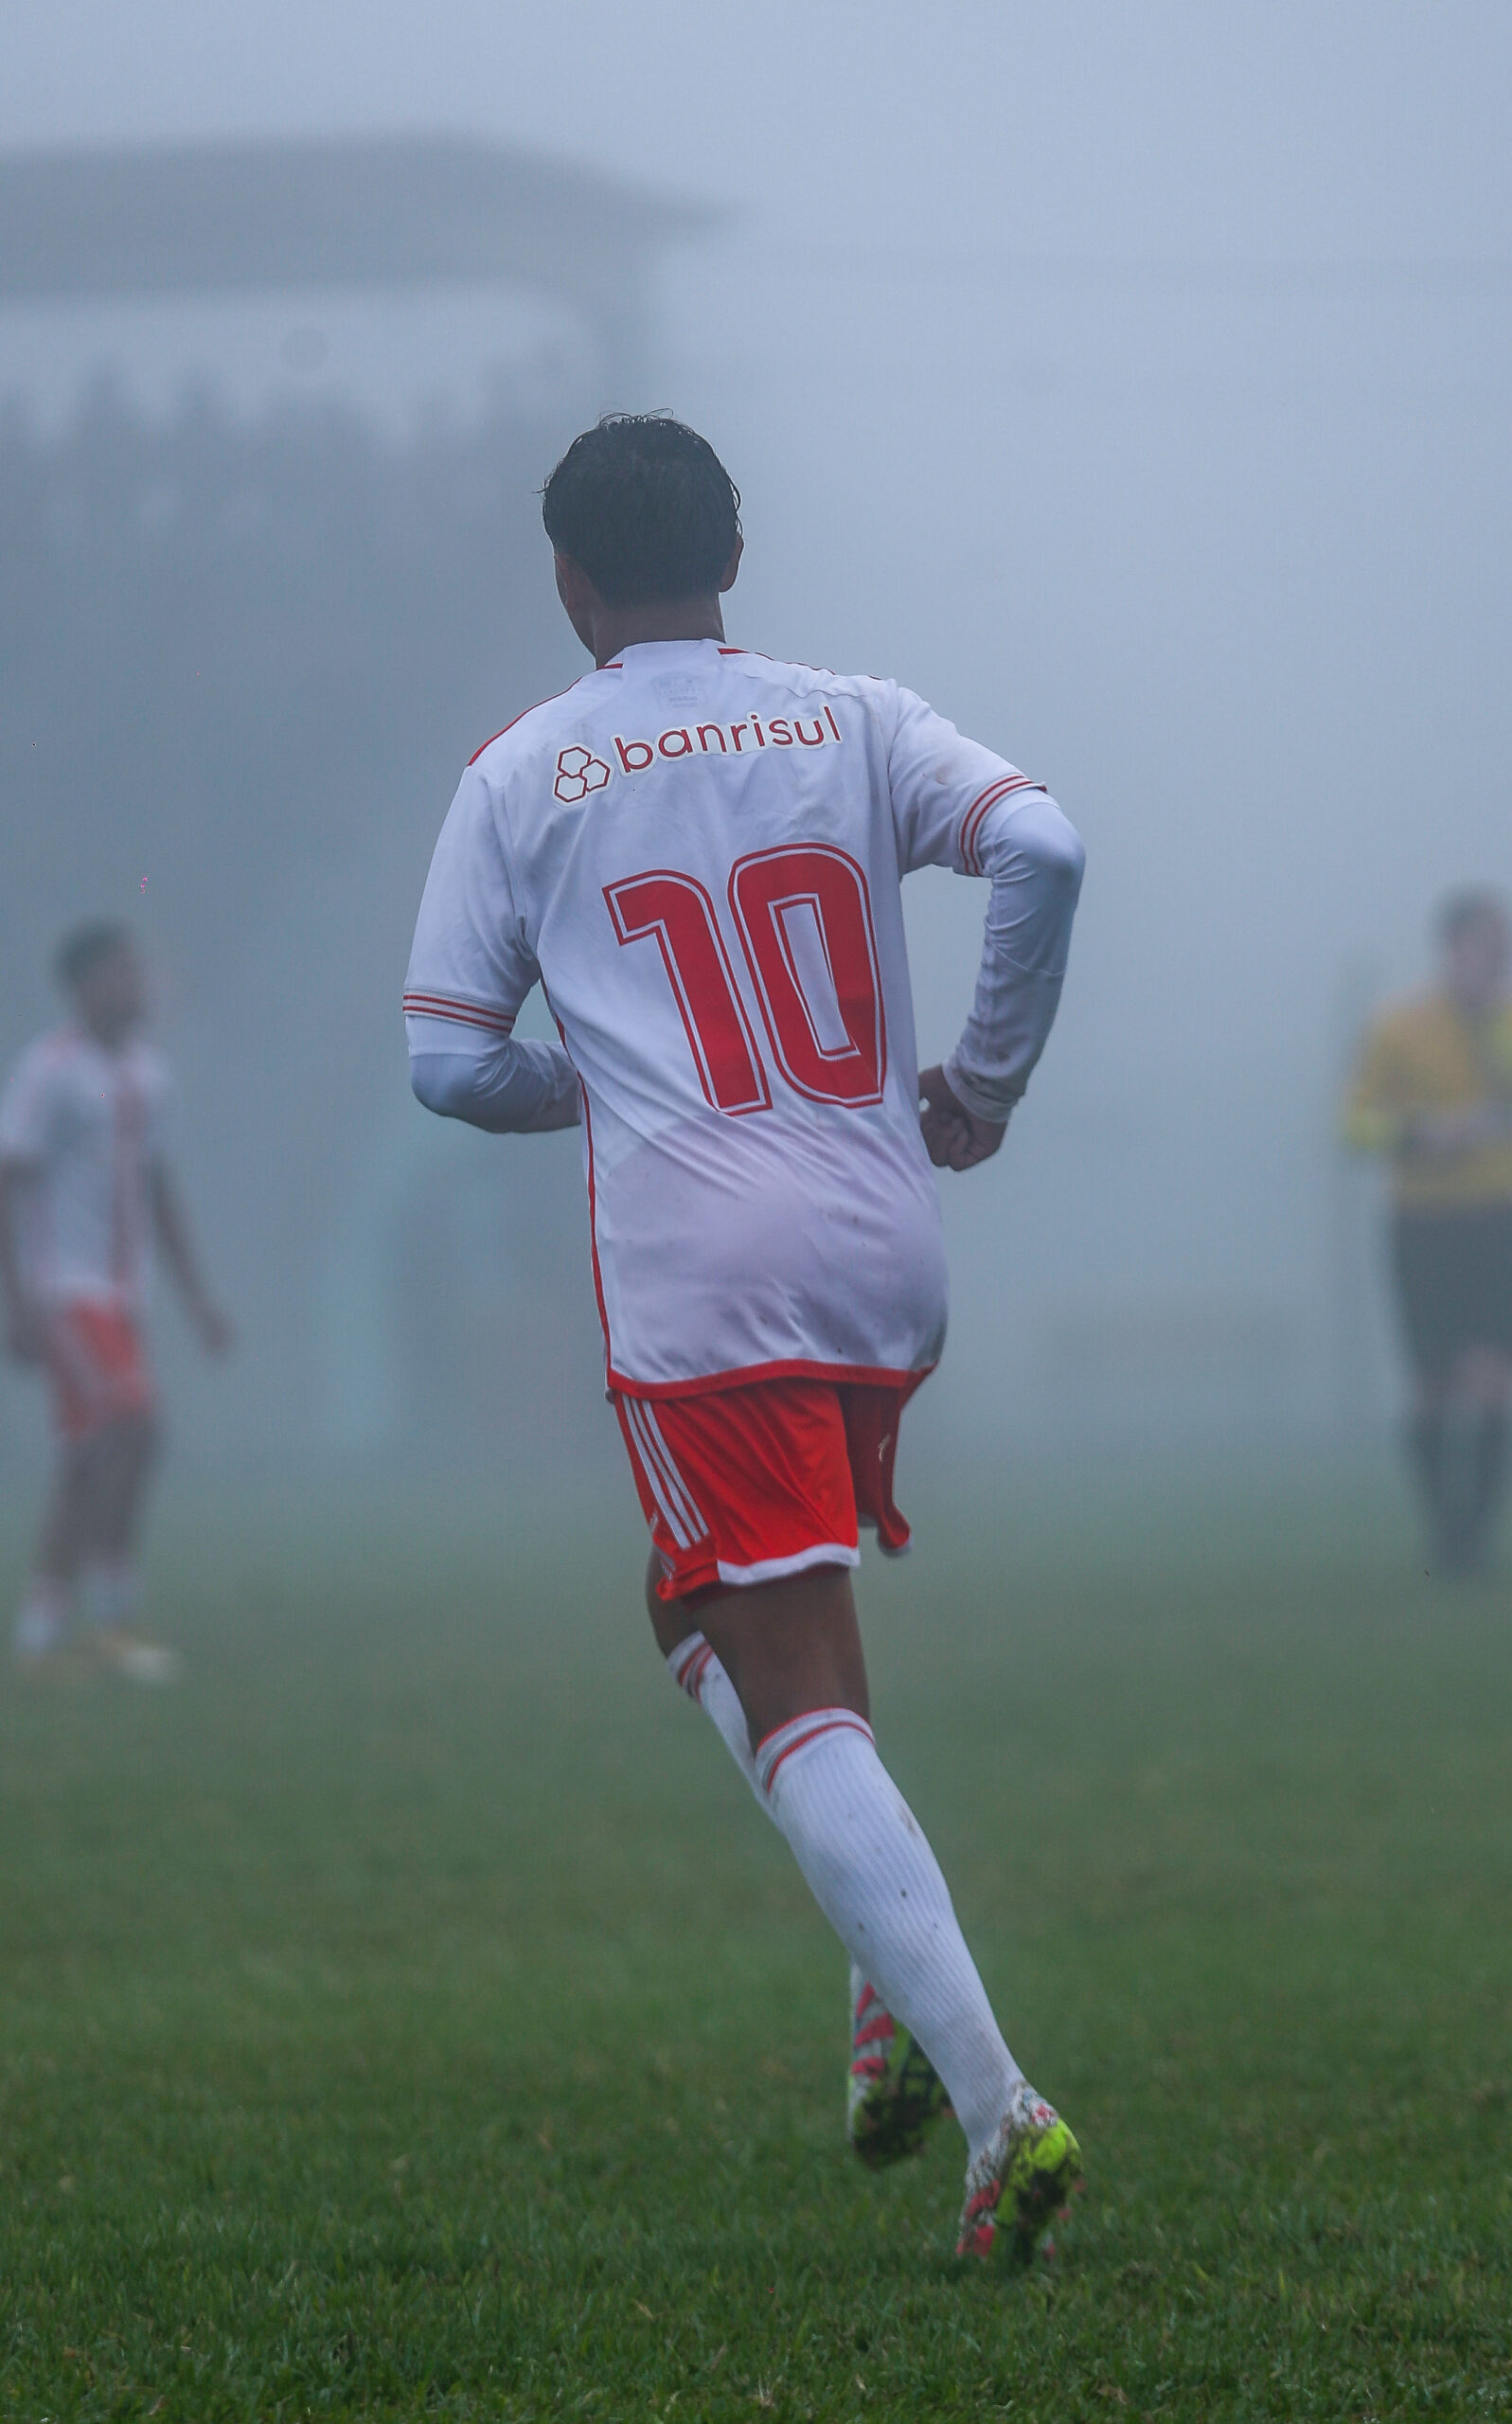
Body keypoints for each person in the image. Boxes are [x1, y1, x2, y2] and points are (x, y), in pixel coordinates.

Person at [404, 414, 1086, 2262]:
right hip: (882, 1242)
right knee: (704, 1606)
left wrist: (617, 1087)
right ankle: (876, 1983)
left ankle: (998, 2108)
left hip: (709, 1275)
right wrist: (988, 1083)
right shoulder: (849, 714)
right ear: (736, 547)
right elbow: (1043, 841)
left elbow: (446, 1057)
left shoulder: (522, 769)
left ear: (568, 579)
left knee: (777, 1674)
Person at [0, 922, 230, 1678]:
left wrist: (196, 1299)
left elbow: (157, 1188)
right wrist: (15, 1303)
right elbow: (0, 1181)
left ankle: (43, 1623)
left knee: (90, 1453)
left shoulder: (149, 1075)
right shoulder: (48, 1070)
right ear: (85, 985)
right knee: (134, 1429)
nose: (139, 987)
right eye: (124, 974)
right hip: (68, 1290)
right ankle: (112, 1614)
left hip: (124, 1295)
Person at [1344, 889, 1512, 1574]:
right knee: (1432, 1382)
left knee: (1494, 1375)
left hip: (1498, 1215)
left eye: (1505, 949)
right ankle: (1447, 1532)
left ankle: (1477, 1537)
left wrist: (1489, 1019)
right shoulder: (1398, 1026)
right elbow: (1355, 1124)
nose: (1499, 959)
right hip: (1422, 1223)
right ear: (1453, 947)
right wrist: (1419, 1133)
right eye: (1487, 945)